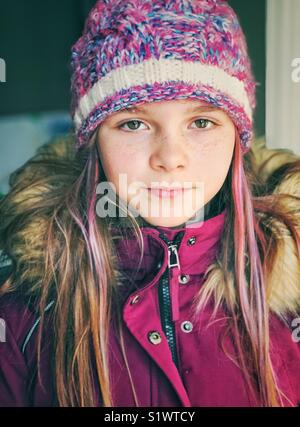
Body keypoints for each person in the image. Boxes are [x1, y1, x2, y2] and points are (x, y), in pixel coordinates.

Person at [0, 0, 300, 407]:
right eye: (134, 123)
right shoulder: (26, 316)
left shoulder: (291, 298)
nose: (170, 157)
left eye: (201, 122)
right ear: (95, 143)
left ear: (237, 137)